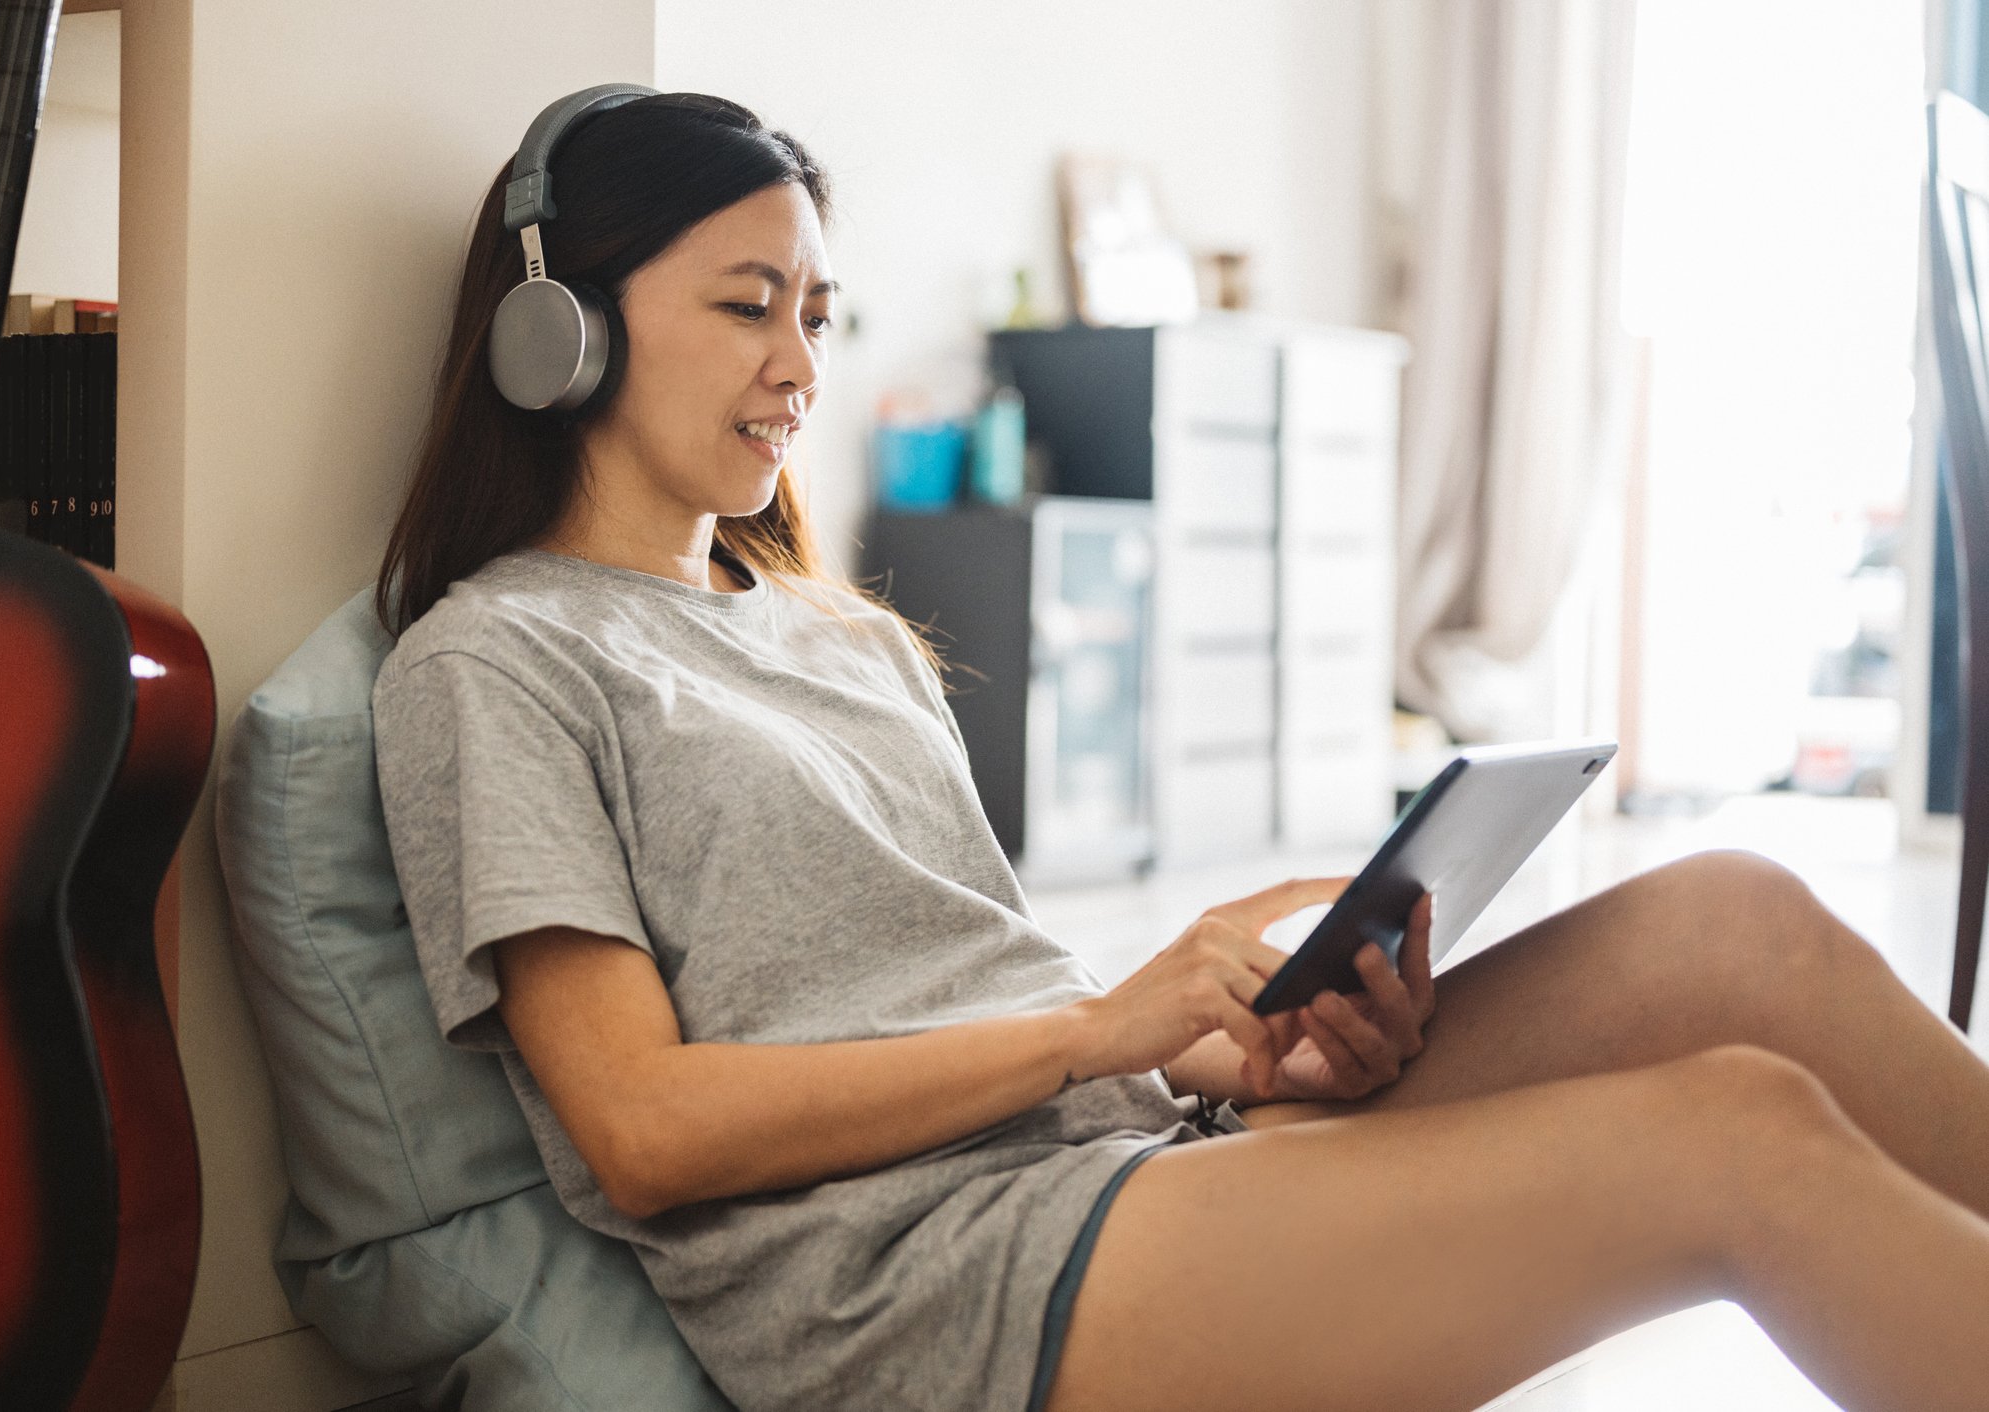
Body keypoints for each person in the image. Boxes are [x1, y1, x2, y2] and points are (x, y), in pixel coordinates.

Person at [369, 91, 1989, 1412]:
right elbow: (643, 1132)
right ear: (559, 330)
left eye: (816, 314)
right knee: (1733, 1138)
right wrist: (1093, 1033)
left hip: (1132, 1155)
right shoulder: (498, 662)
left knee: (1731, 918)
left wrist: (1243, 1053)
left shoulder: (844, 638)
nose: (799, 366)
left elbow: (964, 990)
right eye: (746, 308)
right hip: (947, 1279)